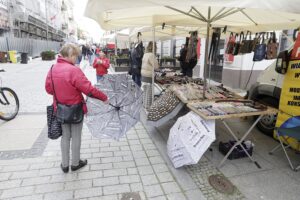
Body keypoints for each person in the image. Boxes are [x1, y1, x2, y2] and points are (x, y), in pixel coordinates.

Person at [45, 43, 109, 173]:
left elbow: (48, 89)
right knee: (76, 136)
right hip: (75, 110)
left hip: (60, 109)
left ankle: (64, 164)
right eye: (76, 56)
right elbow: (88, 89)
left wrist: (61, 93)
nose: (76, 59)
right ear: (70, 55)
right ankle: (75, 163)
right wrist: (104, 97)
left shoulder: (52, 69)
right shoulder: (74, 70)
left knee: (65, 136)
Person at [141, 41, 159, 110]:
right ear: (154, 48)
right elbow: (156, 66)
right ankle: (148, 107)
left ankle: (145, 105)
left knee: (145, 91)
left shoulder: (145, 54)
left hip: (144, 75)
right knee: (149, 93)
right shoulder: (151, 55)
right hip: (149, 76)